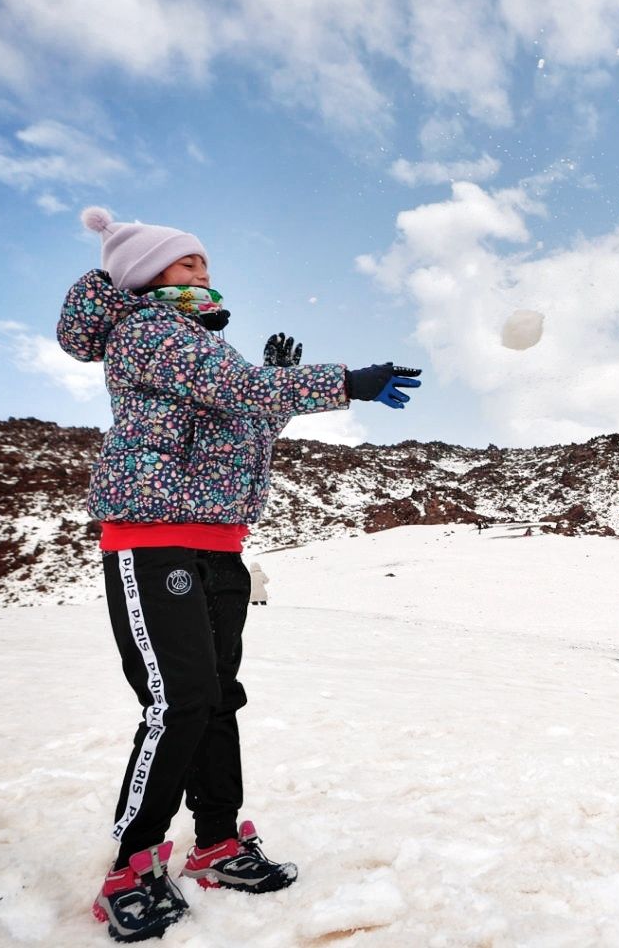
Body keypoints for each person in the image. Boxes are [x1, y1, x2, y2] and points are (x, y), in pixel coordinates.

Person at [58, 206, 423, 943]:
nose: (203, 273)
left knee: (218, 698)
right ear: (144, 274)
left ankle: (218, 842)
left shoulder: (196, 343)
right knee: (181, 700)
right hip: (153, 540)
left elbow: (246, 419)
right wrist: (346, 381)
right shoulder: (147, 332)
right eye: (187, 264)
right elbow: (244, 391)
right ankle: (131, 864)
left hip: (220, 545)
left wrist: (279, 387)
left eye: (206, 265)